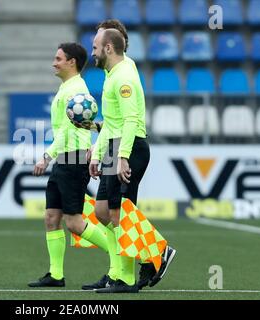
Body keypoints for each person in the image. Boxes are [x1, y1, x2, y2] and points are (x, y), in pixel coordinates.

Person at [85, 29, 176, 293]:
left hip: (129, 147)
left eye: (95, 47)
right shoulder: (112, 75)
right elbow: (111, 120)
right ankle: (136, 264)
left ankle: (136, 268)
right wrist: (99, 151)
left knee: (118, 212)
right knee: (103, 211)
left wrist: (122, 156)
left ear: (109, 48)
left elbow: (128, 120)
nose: (92, 53)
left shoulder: (124, 76)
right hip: (115, 146)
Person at [28, 43, 109, 287]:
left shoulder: (76, 90)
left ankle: (121, 253)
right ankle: (56, 275)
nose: (54, 62)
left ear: (71, 62)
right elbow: (69, 128)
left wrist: (46, 156)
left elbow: (67, 130)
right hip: (66, 158)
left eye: (58, 58)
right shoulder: (68, 88)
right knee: (52, 217)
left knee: (74, 222)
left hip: (73, 159)